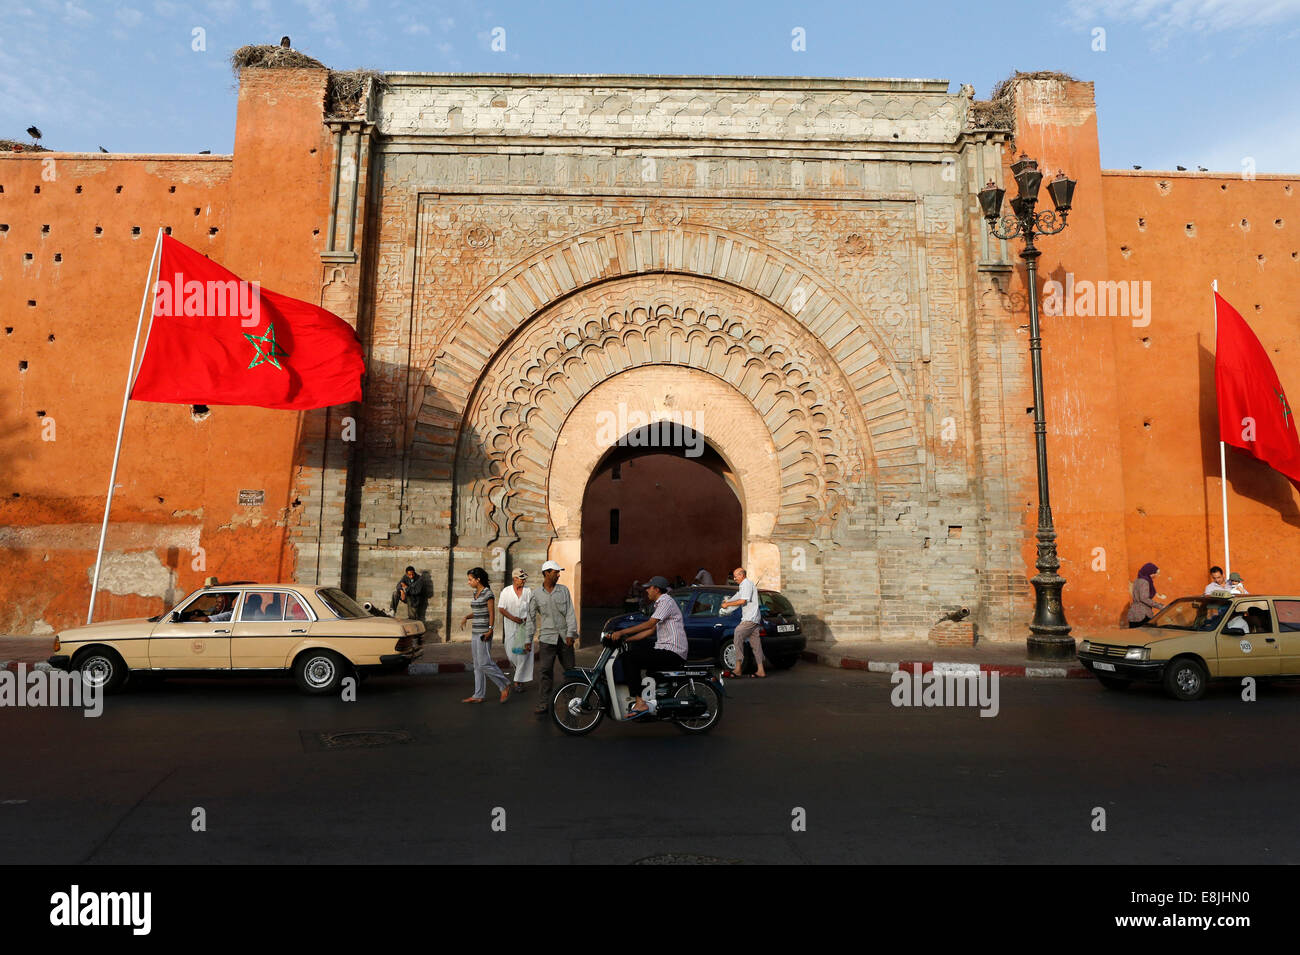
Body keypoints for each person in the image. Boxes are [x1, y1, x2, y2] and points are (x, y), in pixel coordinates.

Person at [611, 576, 689, 717]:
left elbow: (649, 624)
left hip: (672, 651)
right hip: (666, 649)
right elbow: (650, 631)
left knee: (630, 658)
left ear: (657, 589)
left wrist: (622, 631)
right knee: (633, 654)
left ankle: (640, 702)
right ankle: (651, 697)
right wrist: (627, 639)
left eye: (649, 588)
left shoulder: (666, 601)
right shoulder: (660, 604)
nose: (647, 591)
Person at [532, 559, 579, 716]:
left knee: (570, 671)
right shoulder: (536, 594)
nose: (558, 575)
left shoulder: (563, 590)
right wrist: (527, 640)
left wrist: (571, 633)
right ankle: (543, 702)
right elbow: (530, 618)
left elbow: (570, 613)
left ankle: (570, 701)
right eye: (555, 572)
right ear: (546, 573)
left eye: (559, 572)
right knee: (545, 671)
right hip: (546, 638)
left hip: (565, 638)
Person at [459, 567, 509, 704]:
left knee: (484, 663)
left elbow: (491, 613)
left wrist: (490, 630)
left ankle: (504, 683)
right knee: (477, 665)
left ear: (478, 579)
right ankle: (478, 695)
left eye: (470, 579)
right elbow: (478, 611)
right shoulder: (475, 593)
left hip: (484, 633)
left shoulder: (488, 593)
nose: (468, 582)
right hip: (475, 632)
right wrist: (466, 617)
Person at [720, 566, 764, 678]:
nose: (734, 579)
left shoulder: (746, 584)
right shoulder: (745, 585)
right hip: (755, 619)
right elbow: (738, 596)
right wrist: (728, 601)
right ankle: (760, 670)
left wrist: (727, 604)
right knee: (756, 644)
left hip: (750, 618)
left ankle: (738, 667)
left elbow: (742, 600)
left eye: (736, 577)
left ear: (741, 575)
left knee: (738, 633)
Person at [499, 568, 536, 693]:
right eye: (521, 578)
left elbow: (532, 607)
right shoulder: (506, 591)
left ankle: (517, 681)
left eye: (524, 578)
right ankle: (518, 674)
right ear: (515, 579)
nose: (524, 580)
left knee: (523, 654)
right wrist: (513, 618)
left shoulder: (528, 591)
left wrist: (528, 617)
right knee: (511, 654)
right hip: (510, 627)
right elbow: (501, 609)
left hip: (524, 628)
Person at [1127, 562, 1164, 628]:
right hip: (1142, 614)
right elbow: (1144, 598)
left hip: (1133, 614)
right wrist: (1159, 606)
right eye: (1155, 573)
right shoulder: (1145, 581)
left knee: (1134, 636)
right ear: (1150, 572)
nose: (1156, 575)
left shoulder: (1137, 580)